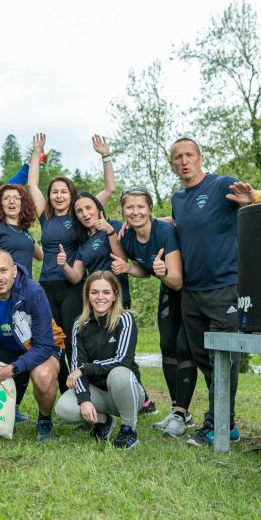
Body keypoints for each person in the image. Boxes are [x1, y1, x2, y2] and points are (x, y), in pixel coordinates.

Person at [167, 137, 261, 447]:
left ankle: (217, 425)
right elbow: (177, 224)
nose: (184, 161)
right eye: (177, 158)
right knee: (205, 360)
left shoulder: (221, 184)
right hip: (192, 292)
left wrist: (253, 197)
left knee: (225, 359)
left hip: (225, 288)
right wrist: (137, 221)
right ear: (172, 164)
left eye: (189, 155)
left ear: (200, 157)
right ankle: (228, 423)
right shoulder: (178, 198)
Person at [109, 187, 195, 437]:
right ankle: (178, 411)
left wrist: (163, 272)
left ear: (149, 209)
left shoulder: (165, 231)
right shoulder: (128, 237)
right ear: (123, 210)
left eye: (140, 206)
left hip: (189, 290)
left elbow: (177, 280)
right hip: (167, 289)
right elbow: (144, 271)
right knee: (167, 346)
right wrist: (127, 267)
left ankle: (181, 414)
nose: (135, 211)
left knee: (183, 348)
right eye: (129, 207)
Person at [0, 249, 61, 442]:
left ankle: (45, 422)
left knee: (43, 375)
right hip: (1, 348)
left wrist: (13, 369)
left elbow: (44, 345)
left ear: (14, 270)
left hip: (35, 347)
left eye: (3, 270)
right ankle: (2, 419)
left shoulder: (34, 292)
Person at [25, 133, 115, 341]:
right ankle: (59, 375)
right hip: (47, 284)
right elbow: (32, 185)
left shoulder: (80, 215)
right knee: (51, 338)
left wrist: (105, 156)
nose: (58, 196)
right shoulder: (45, 216)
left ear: (71, 194)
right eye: (54, 192)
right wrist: (37, 151)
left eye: (63, 192)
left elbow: (110, 189)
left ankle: (77, 373)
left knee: (73, 336)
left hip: (73, 286)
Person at [55, 271, 143, 449]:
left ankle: (128, 429)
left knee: (119, 373)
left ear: (115, 295)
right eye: (94, 292)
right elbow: (76, 365)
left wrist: (85, 369)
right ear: (87, 295)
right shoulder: (80, 324)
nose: (100, 297)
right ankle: (103, 421)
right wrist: (85, 399)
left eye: (106, 292)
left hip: (126, 391)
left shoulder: (125, 319)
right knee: (64, 408)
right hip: (99, 394)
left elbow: (122, 361)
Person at [63, 192, 131, 307]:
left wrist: (110, 232)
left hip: (118, 298)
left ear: (98, 208)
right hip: (96, 301)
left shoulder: (114, 225)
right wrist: (63, 264)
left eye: (88, 208)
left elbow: (122, 261)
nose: (85, 214)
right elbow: (76, 277)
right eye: (79, 211)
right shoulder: (83, 242)